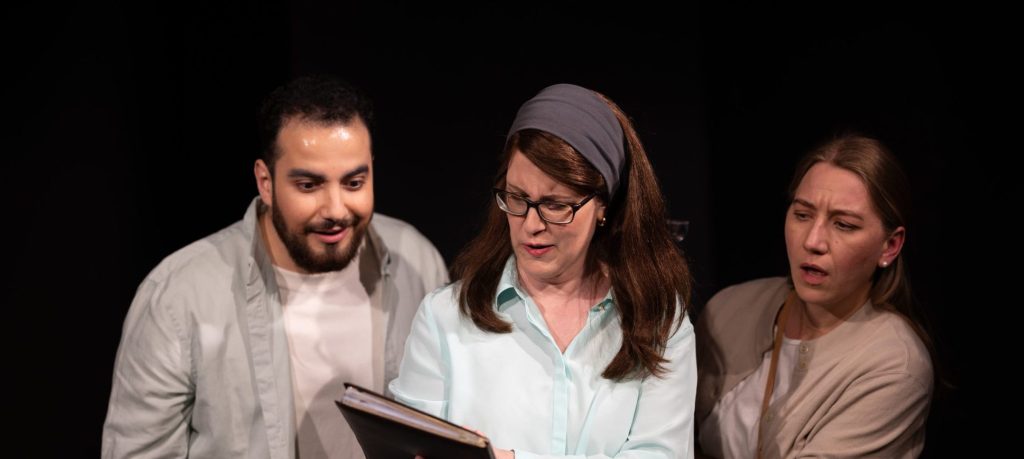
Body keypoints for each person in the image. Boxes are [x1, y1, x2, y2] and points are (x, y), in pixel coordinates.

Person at [102, 75, 449, 459]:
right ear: (265, 182)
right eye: (309, 185)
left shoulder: (416, 261)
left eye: (353, 183)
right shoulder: (180, 295)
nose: (336, 209)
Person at [390, 83, 698, 458]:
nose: (532, 225)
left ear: (603, 204)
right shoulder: (444, 317)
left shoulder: (659, 321)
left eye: (555, 205)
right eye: (517, 198)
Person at [695, 134, 934, 458]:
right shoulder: (728, 309)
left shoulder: (894, 366)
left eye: (844, 225)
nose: (813, 241)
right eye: (802, 215)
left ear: (889, 246)